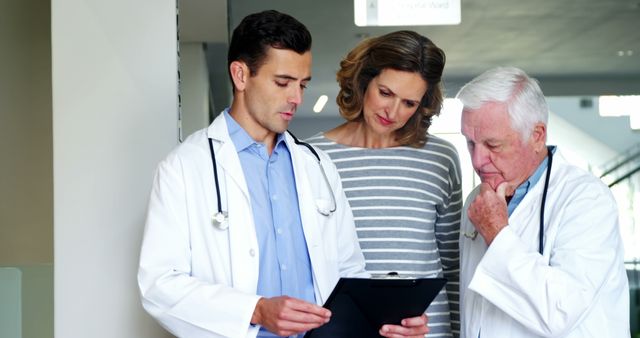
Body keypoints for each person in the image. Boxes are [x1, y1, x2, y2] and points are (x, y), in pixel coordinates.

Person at [137, 10, 429, 338]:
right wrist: (257, 310)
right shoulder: (185, 167)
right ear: (241, 75)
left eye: (302, 84)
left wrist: (388, 319)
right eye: (283, 82)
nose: (296, 98)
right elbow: (160, 285)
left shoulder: (317, 166)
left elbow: (349, 273)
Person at [307, 30, 462, 337]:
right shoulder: (311, 157)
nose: (393, 112)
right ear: (363, 81)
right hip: (344, 330)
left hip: (428, 331)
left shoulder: (440, 158)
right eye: (386, 93)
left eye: (409, 103)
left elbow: (453, 264)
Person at [456, 66, 630, 337]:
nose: (478, 160)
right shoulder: (476, 202)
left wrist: (497, 233)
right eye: (470, 143)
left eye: (493, 145)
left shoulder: (587, 199)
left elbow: (560, 312)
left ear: (537, 135)